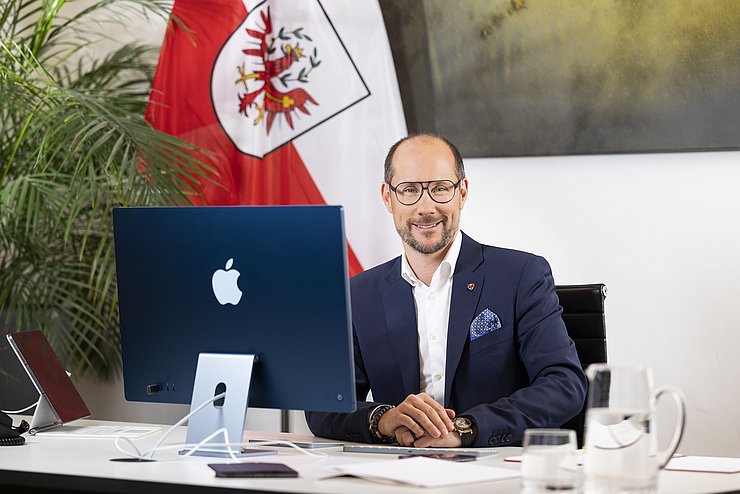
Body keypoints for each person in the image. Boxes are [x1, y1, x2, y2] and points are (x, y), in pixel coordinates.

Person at [306, 133, 586, 448]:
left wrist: (466, 429)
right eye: (409, 190)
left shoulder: (521, 276)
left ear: (462, 193)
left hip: (493, 471)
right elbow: (324, 405)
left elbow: (565, 385)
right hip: (395, 472)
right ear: (388, 198)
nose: (426, 207)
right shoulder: (359, 295)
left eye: (440, 189)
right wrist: (385, 419)